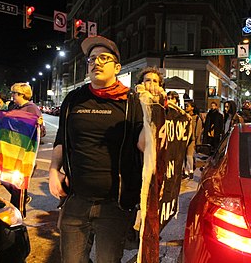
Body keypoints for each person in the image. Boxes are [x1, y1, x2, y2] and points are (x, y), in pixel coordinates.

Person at [48, 36, 165, 262]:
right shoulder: (73, 99)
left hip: (115, 205)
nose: (96, 63)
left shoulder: (131, 101)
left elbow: (143, 145)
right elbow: (61, 140)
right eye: (92, 59)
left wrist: (153, 110)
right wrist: (54, 170)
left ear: (117, 67)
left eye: (104, 58)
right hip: (75, 200)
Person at [0, 83, 44, 218]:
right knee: (5, 180)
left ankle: (18, 213)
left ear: (22, 94)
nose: (12, 96)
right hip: (12, 152)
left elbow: (41, 132)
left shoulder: (32, 110)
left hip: (25, 154)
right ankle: (20, 204)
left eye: (14, 93)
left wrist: (39, 125)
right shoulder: (14, 107)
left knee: (18, 185)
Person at [184, 101, 202, 179]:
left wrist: (197, 142)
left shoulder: (197, 118)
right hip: (184, 139)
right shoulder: (184, 116)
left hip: (192, 139)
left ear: (192, 108)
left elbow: (198, 130)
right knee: (184, 156)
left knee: (189, 156)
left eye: (188, 106)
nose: (186, 107)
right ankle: (186, 171)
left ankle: (191, 171)